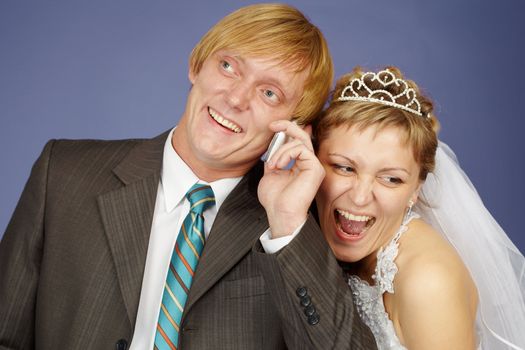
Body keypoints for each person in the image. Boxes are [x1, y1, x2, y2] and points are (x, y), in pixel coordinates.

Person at [0, 4, 377, 350]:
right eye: (228, 66)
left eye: (268, 93)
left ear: (294, 128)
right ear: (197, 64)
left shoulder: (302, 223)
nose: (235, 98)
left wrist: (288, 224)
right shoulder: (63, 173)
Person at [259, 66, 525, 349]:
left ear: (416, 190)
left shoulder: (429, 281)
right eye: (344, 167)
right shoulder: (299, 223)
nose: (360, 197)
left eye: (391, 179)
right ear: (312, 160)